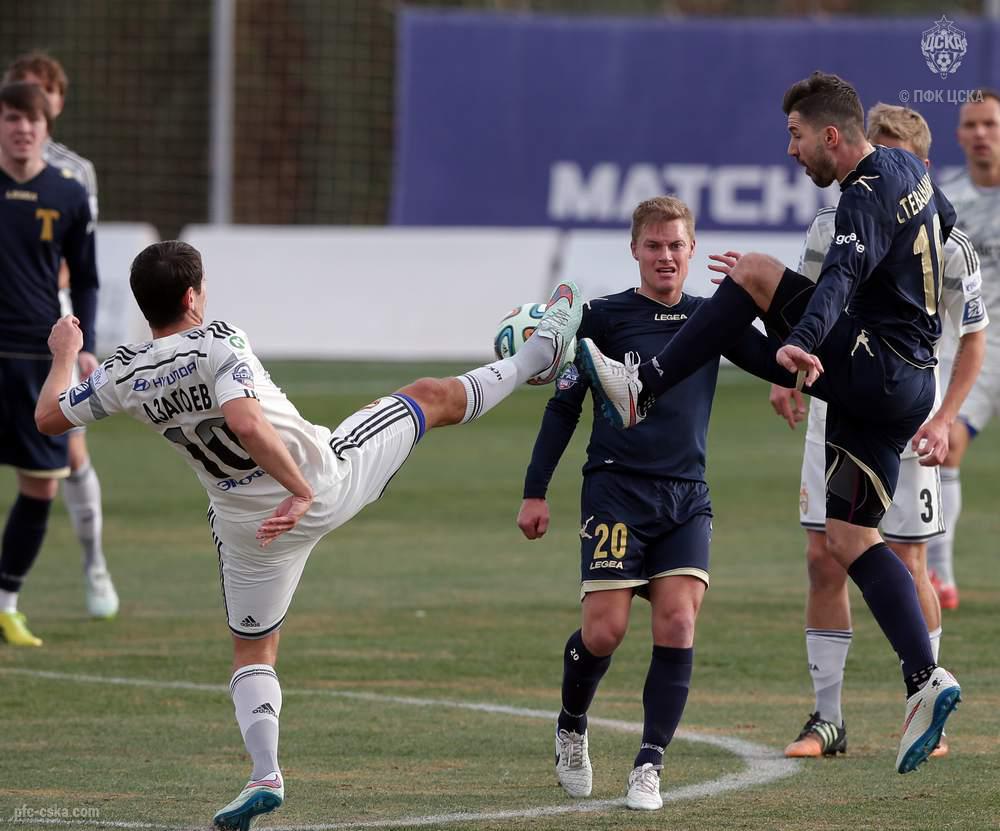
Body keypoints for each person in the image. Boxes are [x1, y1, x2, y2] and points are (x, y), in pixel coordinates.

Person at [34, 239, 583, 830]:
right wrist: (298, 490)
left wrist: (64, 353)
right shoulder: (218, 340)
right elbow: (246, 423)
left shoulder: (124, 371)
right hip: (320, 483)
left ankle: (264, 773)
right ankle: (540, 353)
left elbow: (48, 417)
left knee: (253, 651)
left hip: (247, 530)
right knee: (429, 397)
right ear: (192, 296)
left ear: (145, 305)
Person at [577, 71, 962, 774]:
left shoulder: (862, 193)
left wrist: (804, 340)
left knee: (752, 273)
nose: (791, 150)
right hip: (908, 384)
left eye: (795, 135)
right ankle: (923, 677)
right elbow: (945, 216)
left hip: (878, 366)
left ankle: (645, 385)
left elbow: (840, 277)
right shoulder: (908, 168)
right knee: (849, 537)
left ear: (831, 136)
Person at [517, 196, 811, 810]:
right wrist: (535, 491)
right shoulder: (600, 318)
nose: (666, 256)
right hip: (616, 491)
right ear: (634, 250)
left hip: (685, 496)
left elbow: (779, 364)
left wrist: (777, 309)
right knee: (605, 632)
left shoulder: (711, 318)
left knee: (678, 621)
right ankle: (572, 723)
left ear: (693, 250)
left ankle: (648, 766)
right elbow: (563, 407)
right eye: (654, 245)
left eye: (676, 245)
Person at [768, 104, 986, 759]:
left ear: (919, 168)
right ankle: (827, 718)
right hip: (837, 401)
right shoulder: (833, 221)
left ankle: (925, 706)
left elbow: (973, 338)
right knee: (822, 557)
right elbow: (809, 300)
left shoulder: (950, 241)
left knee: (909, 559)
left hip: (905, 412)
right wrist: (786, 377)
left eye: (895, 158)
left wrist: (946, 418)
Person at [4, 51, 117, 619]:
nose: (28, 115)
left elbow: (80, 259)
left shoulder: (74, 177)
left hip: (50, 327)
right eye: (19, 100)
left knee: (68, 454)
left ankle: (94, 564)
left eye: (40, 99)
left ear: (55, 108)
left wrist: (80, 336)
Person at [928, 89, 1000, 609]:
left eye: (990, 124)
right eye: (971, 125)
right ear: (958, 135)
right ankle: (941, 575)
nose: (981, 133)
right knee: (947, 443)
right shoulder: (946, 200)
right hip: (976, 341)